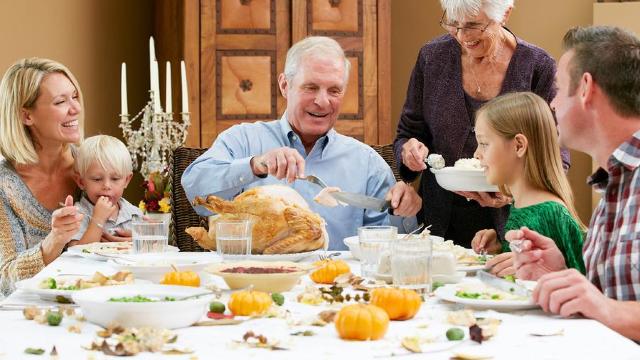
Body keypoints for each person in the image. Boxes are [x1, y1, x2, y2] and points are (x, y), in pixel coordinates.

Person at [182, 36, 421, 250]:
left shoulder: (367, 163)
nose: (322, 101)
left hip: (335, 290)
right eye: (311, 87)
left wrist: (404, 211)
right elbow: (195, 190)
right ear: (285, 85)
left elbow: (390, 249)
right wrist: (256, 165)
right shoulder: (243, 140)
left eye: (334, 90)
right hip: (255, 284)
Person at [393, 0, 570, 249]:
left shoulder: (537, 67)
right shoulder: (432, 57)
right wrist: (409, 153)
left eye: (474, 26)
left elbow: (555, 157)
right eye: (454, 24)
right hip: (436, 225)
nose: (463, 37)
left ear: (505, 15)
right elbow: (408, 132)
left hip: (511, 232)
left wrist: (509, 193)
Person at [509, 26, 640, 341]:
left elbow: (609, 308)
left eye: (556, 88)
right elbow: (613, 296)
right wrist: (560, 273)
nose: (551, 104)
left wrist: (605, 308)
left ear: (585, 88)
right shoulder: (615, 181)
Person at [469, 92, 585, 277]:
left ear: (518, 146)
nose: (476, 154)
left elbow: (581, 282)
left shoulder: (551, 213)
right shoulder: (520, 203)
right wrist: (501, 249)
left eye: (484, 144)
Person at [0, 58, 84, 296]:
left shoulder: (92, 168)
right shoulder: (4, 185)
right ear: (27, 116)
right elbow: (4, 279)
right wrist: (54, 240)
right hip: (24, 316)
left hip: (90, 306)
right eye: (60, 101)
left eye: (75, 96)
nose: (75, 108)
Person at [68, 135, 143, 246]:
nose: (107, 186)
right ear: (81, 182)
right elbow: (75, 253)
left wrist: (144, 239)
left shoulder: (135, 214)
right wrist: (97, 220)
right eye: (97, 179)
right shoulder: (78, 214)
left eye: (115, 179)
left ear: (126, 180)